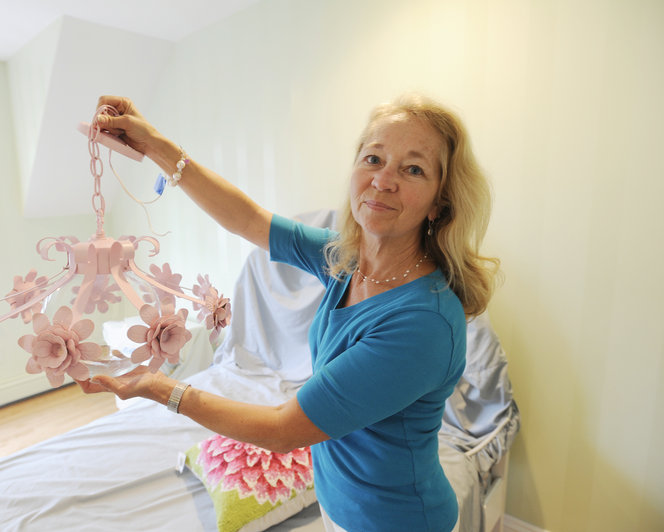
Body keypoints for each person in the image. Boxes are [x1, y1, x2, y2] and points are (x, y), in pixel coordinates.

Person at [78, 93, 499, 532]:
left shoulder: (422, 323)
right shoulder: (345, 259)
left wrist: (163, 389)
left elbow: (283, 430)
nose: (384, 180)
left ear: (439, 204)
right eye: (373, 159)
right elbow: (249, 220)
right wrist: (154, 145)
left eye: (413, 169)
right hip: (338, 503)